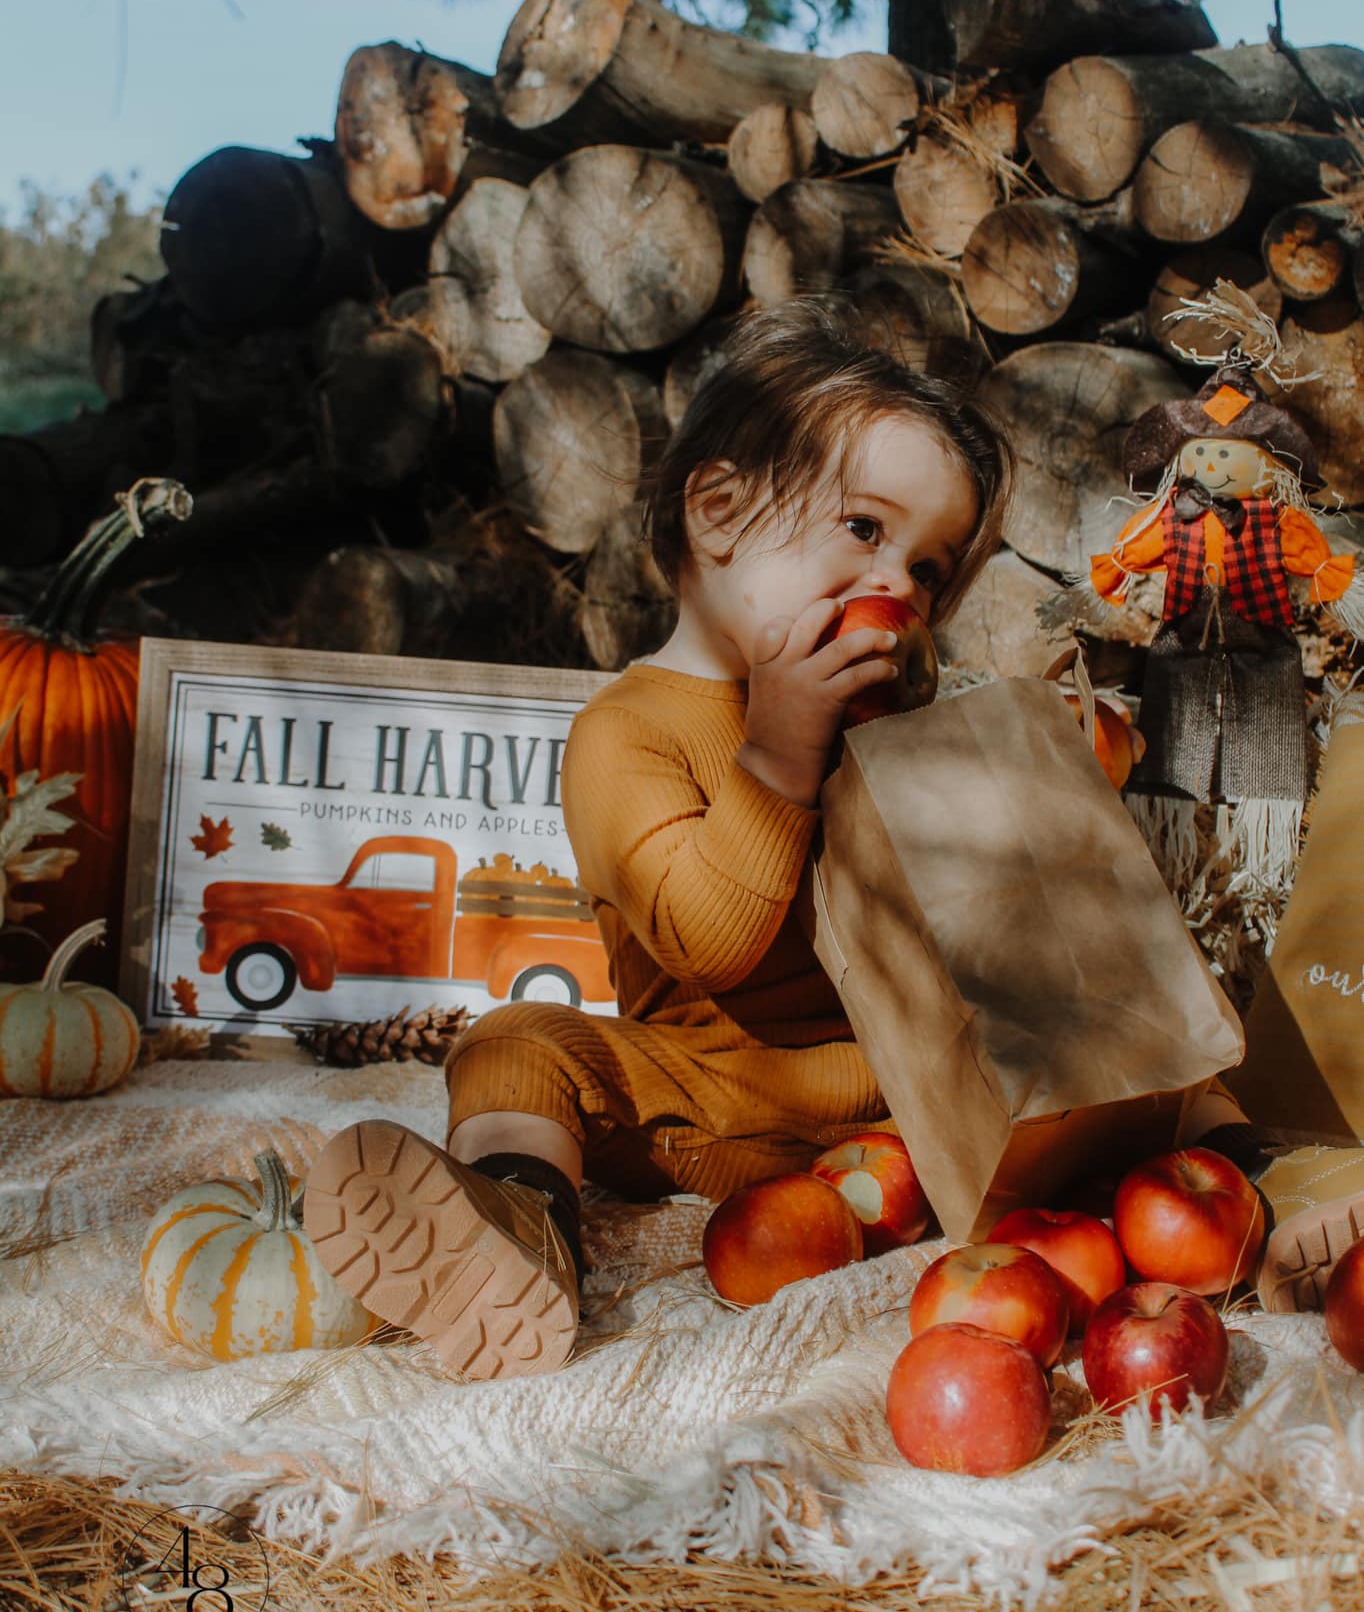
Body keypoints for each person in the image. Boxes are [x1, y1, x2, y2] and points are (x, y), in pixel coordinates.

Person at [300, 299, 1353, 1382]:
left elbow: (990, 900)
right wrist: (774, 758)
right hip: (719, 1097)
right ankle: (516, 1226)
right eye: (863, 528)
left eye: (931, 567)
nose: (900, 583)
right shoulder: (627, 732)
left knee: (1154, 1048)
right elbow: (705, 943)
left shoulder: (881, 720)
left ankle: (1273, 1203)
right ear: (715, 511)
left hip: (927, 1096)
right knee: (521, 1038)